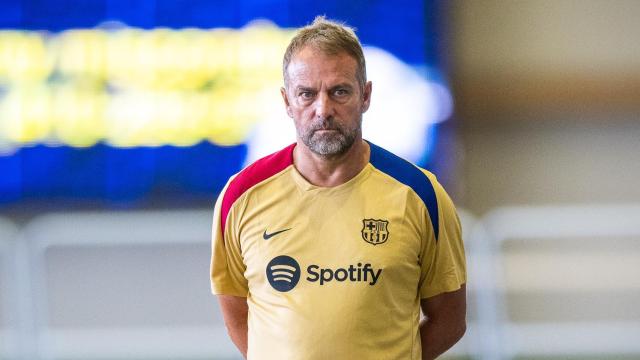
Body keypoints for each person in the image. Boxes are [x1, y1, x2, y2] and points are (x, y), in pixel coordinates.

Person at [210, 16, 466, 360]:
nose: (323, 109)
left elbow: (449, 320)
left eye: (339, 91)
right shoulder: (241, 196)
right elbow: (238, 314)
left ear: (366, 96)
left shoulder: (420, 194)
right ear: (287, 101)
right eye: (307, 94)